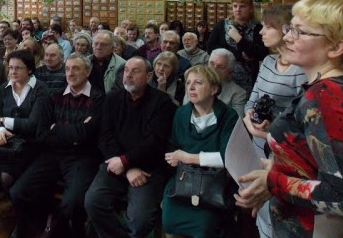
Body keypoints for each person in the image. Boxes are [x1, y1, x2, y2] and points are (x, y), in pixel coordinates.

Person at [236, 0, 343, 238]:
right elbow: (316, 165)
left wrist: (274, 181)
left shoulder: (327, 98)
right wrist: (280, 166)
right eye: (290, 27)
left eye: (299, 31)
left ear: (335, 48)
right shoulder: (321, 88)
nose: (288, 36)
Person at [10, 53, 104, 238]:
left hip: (82, 157)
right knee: (18, 192)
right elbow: (43, 134)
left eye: (76, 68)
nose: (70, 73)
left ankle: (57, 228)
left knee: (73, 202)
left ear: (88, 71)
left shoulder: (98, 98)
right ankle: (42, 226)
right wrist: (74, 134)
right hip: (53, 154)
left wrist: (57, 128)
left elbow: (88, 135)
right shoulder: (56, 95)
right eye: (68, 68)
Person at [85, 57, 176, 238]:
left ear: (149, 76)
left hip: (148, 168)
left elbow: (155, 142)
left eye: (135, 71)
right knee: (93, 202)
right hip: (116, 162)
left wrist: (126, 162)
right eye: (126, 70)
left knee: (140, 221)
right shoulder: (112, 98)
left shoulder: (163, 102)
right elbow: (105, 136)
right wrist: (126, 167)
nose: (128, 75)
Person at [242, 4, 307, 238]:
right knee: (262, 215)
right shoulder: (268, 61)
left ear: (286, 30)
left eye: (268, 26)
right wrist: (249, 121)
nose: (261, 31)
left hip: (283, 150)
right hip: (258, 145)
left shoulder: (302, 69)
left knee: (280, 214)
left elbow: (301, 118)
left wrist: (272, 128)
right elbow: (253, 97)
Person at [0, 50, 49, 238]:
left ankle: (20, 219)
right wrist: (0, 131)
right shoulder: (3, 88)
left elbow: (33, 126)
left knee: (7, 177)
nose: (13, 71)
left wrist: (3, 121)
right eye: (10, 68)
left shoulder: (40, 89)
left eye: (18, 68)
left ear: (30, 70)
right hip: (5, 144)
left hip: (31, 144)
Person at [162, 64, 239, 238]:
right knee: (169, 223)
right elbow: (172, 146)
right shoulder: (181, 113)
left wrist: (186, 157)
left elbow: (227, 157)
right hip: (184, 179)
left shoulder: (229, 116)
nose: (191, 87)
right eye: (188, 82)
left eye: (198, 82)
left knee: (204, 228)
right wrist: (174, 157)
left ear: (214, 89)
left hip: (214, 184)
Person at [207, 0, 268, 92]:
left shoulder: (258, 28)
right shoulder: (222, 25)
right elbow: (210, 47)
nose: (238, 9)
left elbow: (262, 53)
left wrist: (239, 39)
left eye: (242, 6)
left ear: (251, 8)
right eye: (235, 6)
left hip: (249, 79)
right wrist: (237, 54)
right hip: (223, 76)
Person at [184, 48, 247, 118]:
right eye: (211, 64)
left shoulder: (239, 93)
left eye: (220, 67)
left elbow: (236, 120)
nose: (213, 69)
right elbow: (186, 112)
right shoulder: (193, 84)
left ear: (229, 73)